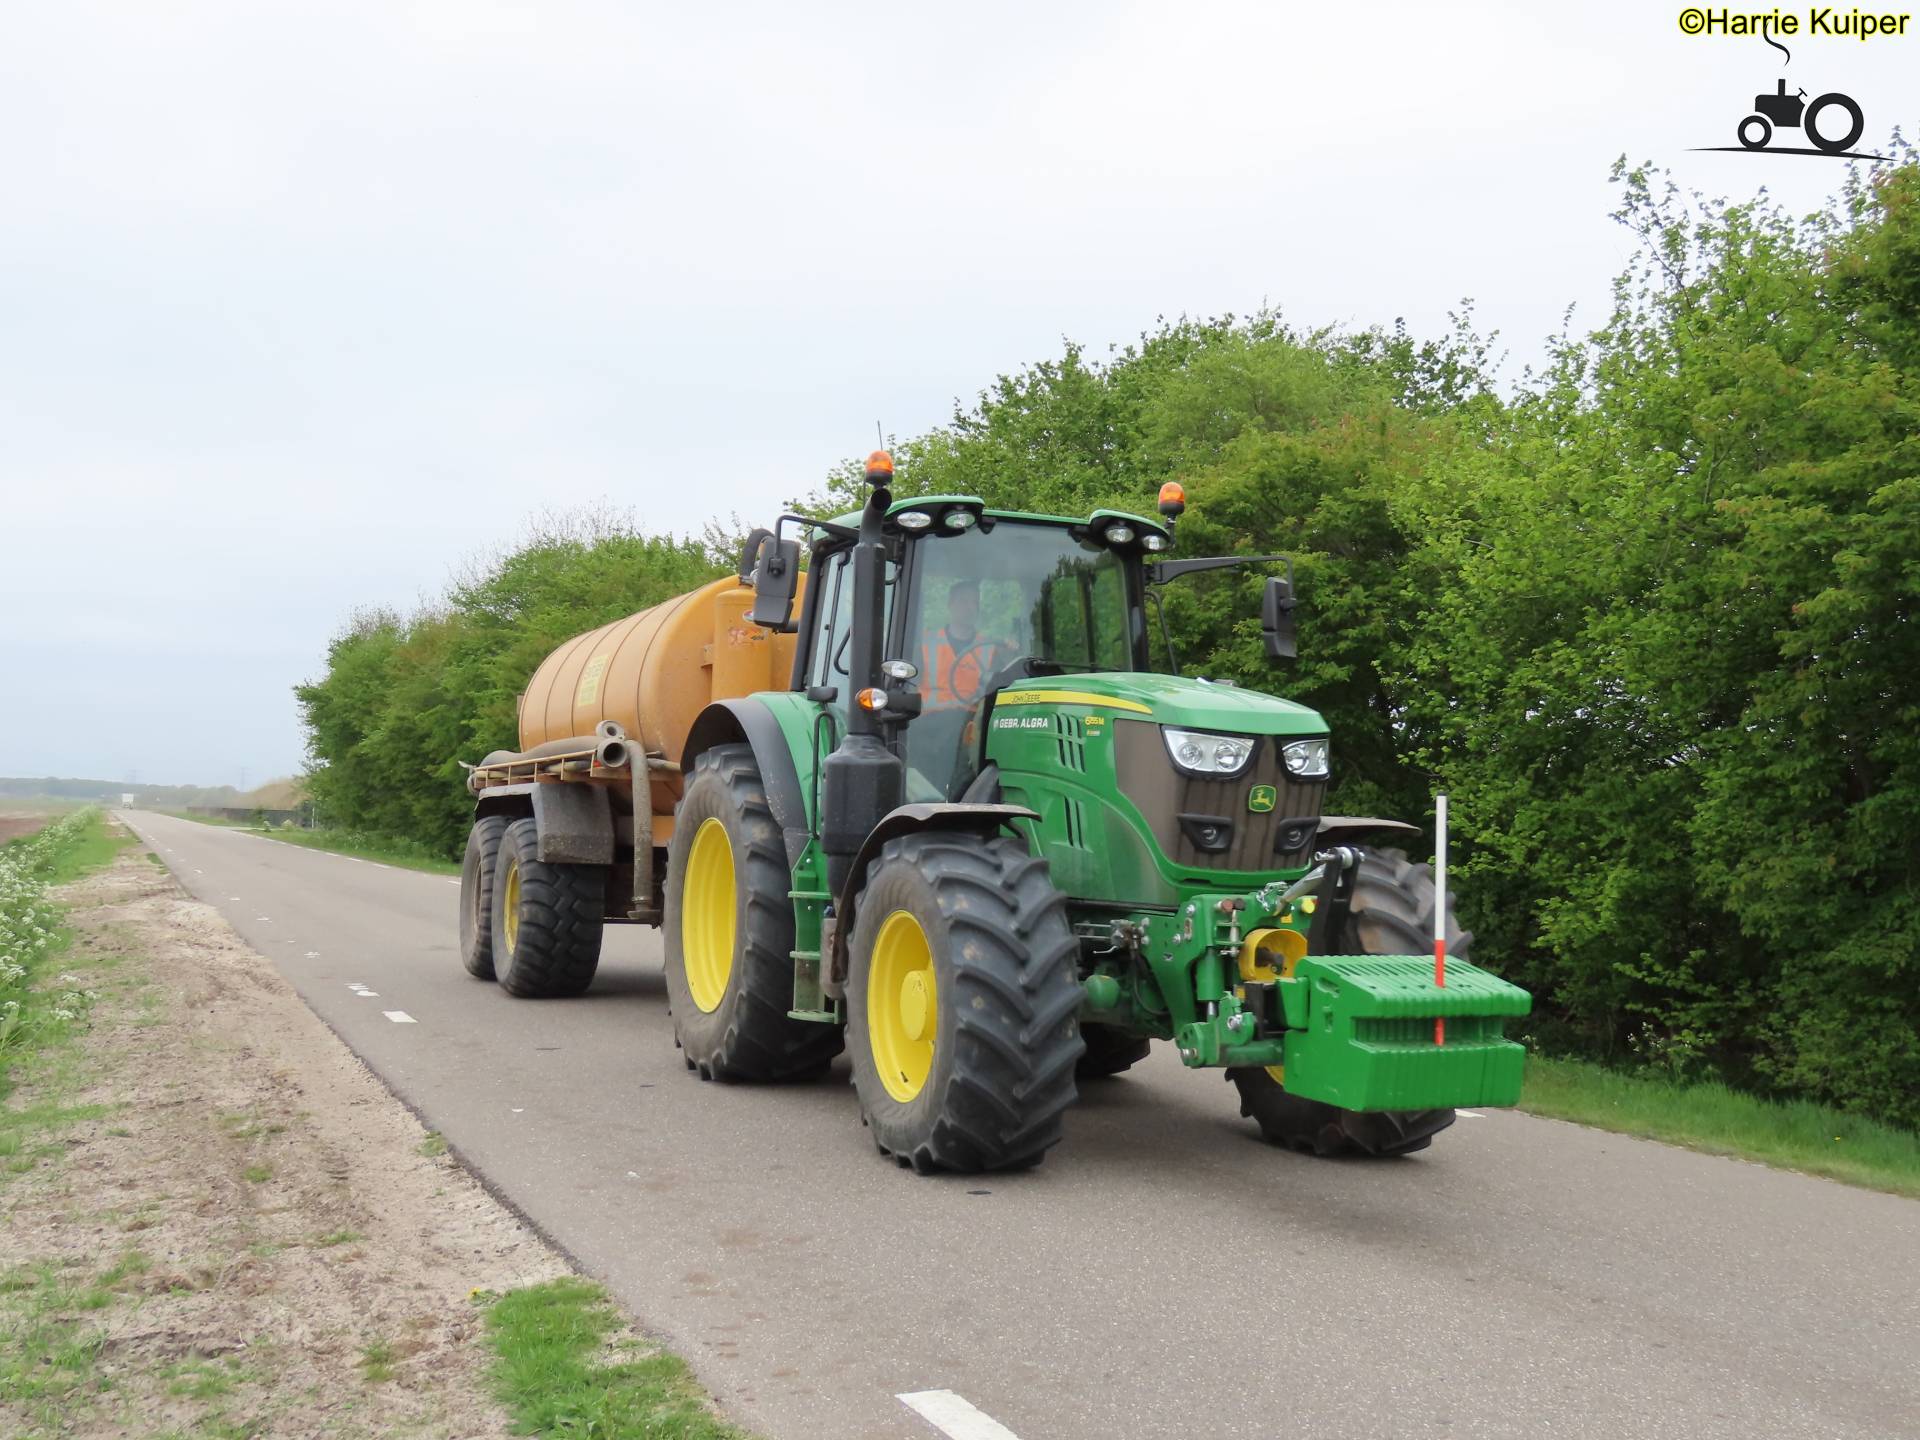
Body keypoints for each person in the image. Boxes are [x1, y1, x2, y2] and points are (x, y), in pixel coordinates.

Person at [921, 579, 1007, 712]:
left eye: (975, 603)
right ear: (950, 605)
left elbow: (999, 690)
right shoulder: (925, 644)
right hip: (929, 723)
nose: (970, 608)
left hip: (970, 725)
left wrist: (1011, 652)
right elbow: (908, 689)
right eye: (964, 601)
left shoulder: (989, 650)